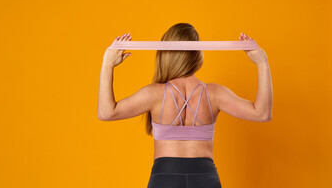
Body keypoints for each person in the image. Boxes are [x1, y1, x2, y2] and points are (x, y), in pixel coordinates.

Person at [98, 23, 273, 188]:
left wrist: (107, 65)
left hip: (164, 177)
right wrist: (262, 63)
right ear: (198, 55)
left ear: (166, 54)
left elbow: (106, 113)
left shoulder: (154, 94)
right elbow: (262, 114)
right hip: (205, 177)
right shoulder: (215, 94)